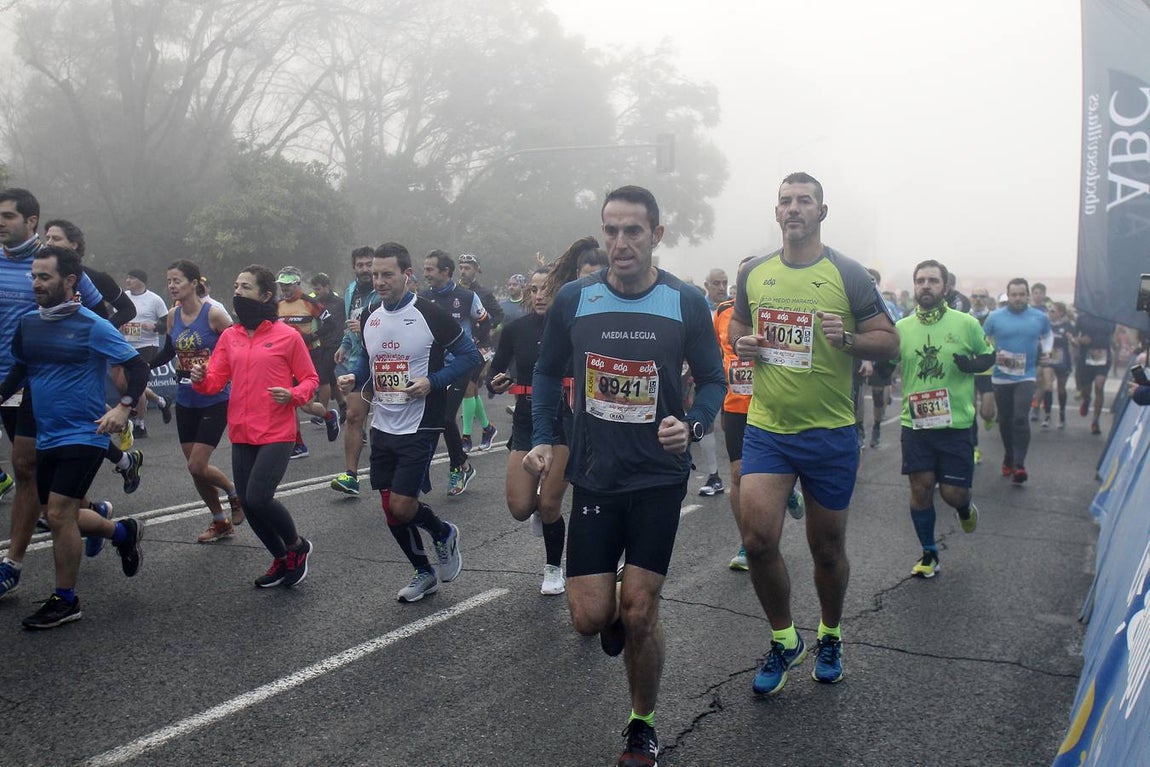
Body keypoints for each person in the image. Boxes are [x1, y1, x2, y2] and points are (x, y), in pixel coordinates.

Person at [524, 185, 725, 767]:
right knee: (590, 620)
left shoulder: (685, 301)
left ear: (656, 235)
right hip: (594, 475)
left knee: (639, 609)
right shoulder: (574, 300)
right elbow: (545, 372)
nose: (620, 242)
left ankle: (642, 724)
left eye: (633, 230)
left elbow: (712, 379)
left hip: (659, 478)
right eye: (610, 230)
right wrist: (542, 436)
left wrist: (691, 425)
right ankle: (614, 617)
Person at [729, 172, 898, 695]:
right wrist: (747, 343)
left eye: (805, 201)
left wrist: (847, 338)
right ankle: (785, 641)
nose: (794, 208)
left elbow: (888, 340)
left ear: (822, 211)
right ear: (775, 212)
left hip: (829, 431)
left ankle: (829, 633)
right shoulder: (755, 273)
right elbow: (736, 328)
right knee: (757, 542)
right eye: (786, 201)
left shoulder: (847, 273)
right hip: (768, 428)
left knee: (826, 548)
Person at [0, 246, 146, 627]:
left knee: (60, 512)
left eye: (44, 277)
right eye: (34, 276)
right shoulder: (29, 323)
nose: (36, 284)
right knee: (54, 513)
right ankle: (121, 532)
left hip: (86, 433)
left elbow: (137, 366)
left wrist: (123, 406)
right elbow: (19, 370)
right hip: (47, 435)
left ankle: (65, 599)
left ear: (69, 281)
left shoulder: (92, 325)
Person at [338, 243, 477, 602]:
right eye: (375, 275)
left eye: (387, 274)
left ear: (407, 275)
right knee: (389, 507)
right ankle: (423, 571)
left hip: (421, 422)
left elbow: (470, 356)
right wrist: (352, 378)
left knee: (402, 505)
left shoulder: (430, 314)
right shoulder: (371, 316)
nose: (379, 281)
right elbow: (366, 361)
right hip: (384, 421)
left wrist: (434, 381)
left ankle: (442, 531)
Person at [0, 188, 113, 601]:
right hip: (5, 380)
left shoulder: (57, 265)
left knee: (25, 468)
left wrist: (75, 354)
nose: (1, 223)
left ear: (31, 222)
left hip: (38, 381)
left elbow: (102, 315)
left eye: (8, 216)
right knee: (49, 487)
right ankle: (101, 520)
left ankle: (11, 564)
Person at [191, 265, 314, 588]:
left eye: (246, 287)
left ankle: (297, 547)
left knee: (259, 497)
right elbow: (216, 381)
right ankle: (281, 558)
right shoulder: (230, 337)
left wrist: (292, 394)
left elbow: (310, 380)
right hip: (243, 430)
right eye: (236, 286)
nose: (238, 293)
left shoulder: (287, 336)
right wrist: (201, 379)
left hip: (277, 431)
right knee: (246, 502)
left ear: (265, 295)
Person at [893, 260, 994, 578]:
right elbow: (889, 362)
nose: (926, 286)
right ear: (914, 286)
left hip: (955, 425)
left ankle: (965, 507)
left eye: (933, 281)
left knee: (952, 494)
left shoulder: (966, 323)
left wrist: (976, 371)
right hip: (916, 424)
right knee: (920, 488)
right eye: (920, 280)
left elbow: (988, 356)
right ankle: (929, 553)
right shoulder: (902, 328)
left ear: (945, 287)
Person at [489, 264, 572, 595]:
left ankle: (553, 569)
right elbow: (494, 373)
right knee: (521, 508)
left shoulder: (573, 329)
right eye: (535, 289)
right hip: (526, 420)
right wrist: (496, 381)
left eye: (548, 289)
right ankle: (540, 505)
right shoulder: (516, 329)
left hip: (563, 421)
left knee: (551, 505)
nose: (540, 296)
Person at [715, 284, 804, 572]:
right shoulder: (724, 312)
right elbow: (714, 352)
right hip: (737, 404)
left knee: (776, 469)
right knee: (738, 474)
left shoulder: (778, 312)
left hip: (772, 403)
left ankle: (787, 488)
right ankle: (745, 544)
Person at [156, 259, 244, 542]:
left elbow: (238, 346)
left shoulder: (214, 314)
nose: (172, 286)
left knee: (197, 465)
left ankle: (234, 492)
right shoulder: (172, 316)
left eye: (177, 280)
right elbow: (170, 351)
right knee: (196, 471)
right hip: (186, 398)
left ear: (194, 283)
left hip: (214, 397)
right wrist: (139, 365)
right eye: (169, 281)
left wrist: (219, 371)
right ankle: (220, 522)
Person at [420, 251, 487, 495]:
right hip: (434, 367)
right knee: (431, 418)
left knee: (446, 418)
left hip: (460, 364)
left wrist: (479, 349)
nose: (425, 274)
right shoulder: (423, 297)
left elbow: (486, 320)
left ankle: (459, 468)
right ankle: (429, 469)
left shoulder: (467, 296)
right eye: (425, 269)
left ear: (445, 272)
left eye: (430, 269)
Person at [982, 278, 1052, 484]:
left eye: (1022, 294)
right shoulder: (995, 317)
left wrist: (1046, 352)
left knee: (1020, 418)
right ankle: (1009, 456)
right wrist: (988, 354)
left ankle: (1019, 464)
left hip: (1026, 374)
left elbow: (1048, 336)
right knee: (1005, 420)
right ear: (1008, 295)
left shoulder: (1039, 317)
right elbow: (982, 339)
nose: (1018, 298)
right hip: (1001, 376)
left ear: (1028, 295)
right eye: (1014, 294)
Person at [275, 266, 340, 458]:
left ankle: (329, 416)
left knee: (305, 405)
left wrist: (311, 337)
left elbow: (331, 324)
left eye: (288, 286)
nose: (285, 290)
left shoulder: (309, 302)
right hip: (285, 358)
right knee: (288, 401)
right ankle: (299, 444)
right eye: (282, 286)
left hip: (309, 356)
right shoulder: (277, 306)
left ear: (297, 284)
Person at [331, 246, 380, 495]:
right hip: (359, 360)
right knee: (353, 416)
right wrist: (344, 344)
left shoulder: (383, 290)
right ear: (354, 267)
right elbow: (352, 323)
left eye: (369, 264)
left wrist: (366, 331)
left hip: (386, 361)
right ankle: (351, 476)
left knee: (389, 422)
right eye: (360, 265)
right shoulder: (351, 291)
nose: (365, 269)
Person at [454, 253, 503, 454]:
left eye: (468, 267)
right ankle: (487, 428)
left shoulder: (484, 293)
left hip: (480, 347)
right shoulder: (454, 291)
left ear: (477, 270)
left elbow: (500, 315)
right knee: (471, 390)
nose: (464, 271)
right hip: (459, 346)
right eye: (462, 267)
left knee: (468, 387)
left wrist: (492, 330)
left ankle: (465, 437)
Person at [122, 269, 173, 436]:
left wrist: (155, 327)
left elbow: (168, 323)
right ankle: (161, 401)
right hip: (127, 344)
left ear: (141, 281)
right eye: (127, 277)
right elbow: (113, 316)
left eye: (132, 278)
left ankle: (140, 425)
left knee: (138, 384)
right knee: (134, 385)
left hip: (147, 345)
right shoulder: (123, 297)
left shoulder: (154, 299)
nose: (128, 280)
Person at [696, 268, 729, 496]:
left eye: (724, 283)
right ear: (706, 285)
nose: (721, 287)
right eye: (716, 283)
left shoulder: (734, 308)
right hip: (706, 376)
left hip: (734, 378)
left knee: (730, 426)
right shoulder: (698, 308)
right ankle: (714, 475)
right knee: (705, 422)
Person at [309, 272, 347, 423]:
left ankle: (322, 413)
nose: (316, 292)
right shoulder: (315, 303)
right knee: (330, 378)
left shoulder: (340, 303)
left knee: (323, 376)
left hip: (336, 344)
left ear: (327, 287)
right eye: (315, 290)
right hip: (321, 344)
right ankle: (343, 404)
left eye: (318, 289)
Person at [1073, 311, 1116, 435]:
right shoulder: (1082, 318)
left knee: (1099, 385)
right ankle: (1086, 400)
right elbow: (1074, 337)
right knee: (1086, 388)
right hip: (1086, 356)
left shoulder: (1109, 317)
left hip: (1103, 356)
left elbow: (1114, 336)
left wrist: (1115, 343)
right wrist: (1080, 340)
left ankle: (1095, 421)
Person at [1043, 302, 1075, 429]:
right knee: (1048, 386)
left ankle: (1062, 413)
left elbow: (1075, 342)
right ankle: (1047, 415)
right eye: (1049, 311)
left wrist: (1071, 339)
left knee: (1061, 388)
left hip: (1063, 360)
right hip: (1049, 359)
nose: (1050, 314)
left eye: (1053, 311)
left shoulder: (1068, 326)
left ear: (1060, 313)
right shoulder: (1045, 325)